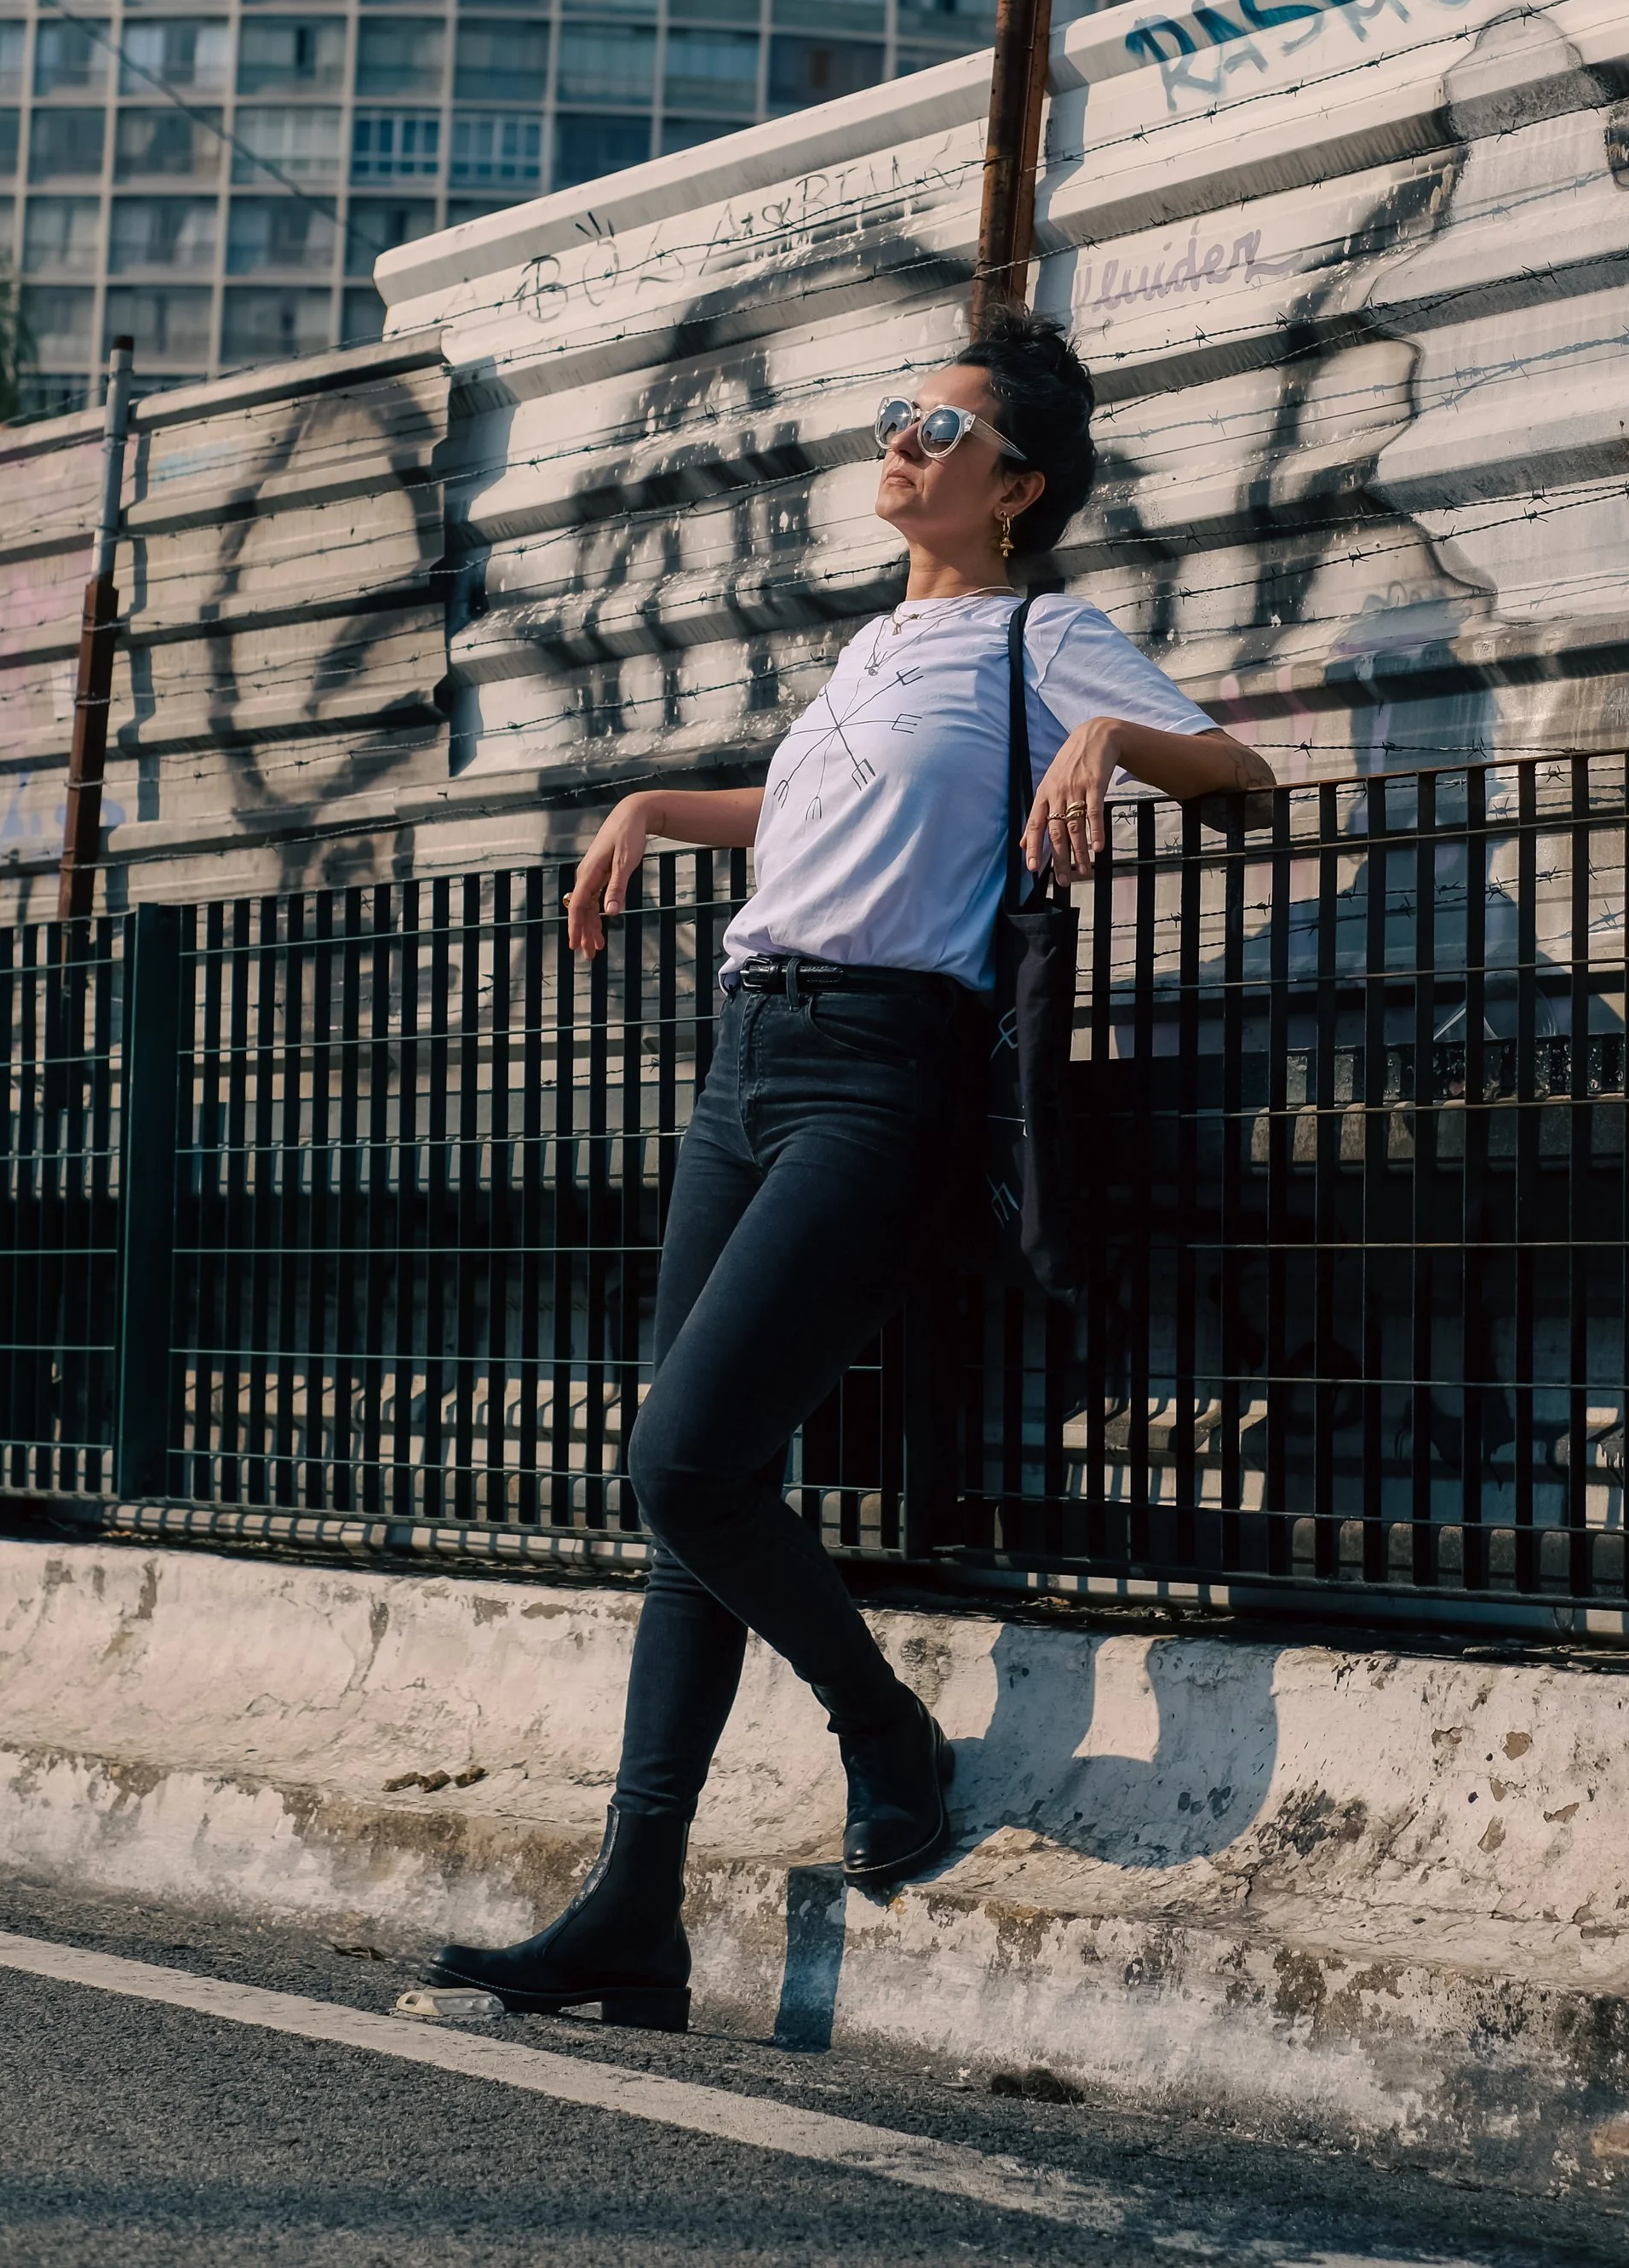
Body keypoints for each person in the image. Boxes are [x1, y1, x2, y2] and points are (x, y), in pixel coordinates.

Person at [431, 306, 1271, 2028]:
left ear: (1017, 486)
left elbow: (1242, 781)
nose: (896, 440)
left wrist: (1106, 741)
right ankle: (631, 1912)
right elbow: (817, 825)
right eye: (892, 414)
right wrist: (662, 804)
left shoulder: (1048, 636)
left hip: (880, 1079)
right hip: (747, 1061)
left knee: (683, 1463)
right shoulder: (872, 650)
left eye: (936, 428)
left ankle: (879, 1726)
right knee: (687, 1498)